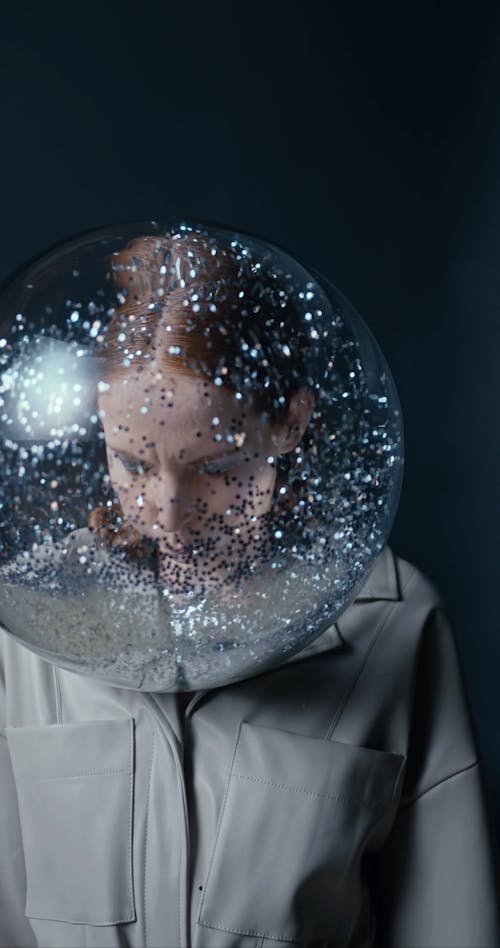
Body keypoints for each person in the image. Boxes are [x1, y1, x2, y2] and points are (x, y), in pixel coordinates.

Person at [0, 229, 499, 948]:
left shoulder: (395, 622)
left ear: (288, 424)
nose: (169, 511)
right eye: (133, 462)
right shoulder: (32, 618)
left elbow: (453, 926)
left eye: (215, 463)